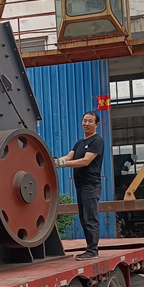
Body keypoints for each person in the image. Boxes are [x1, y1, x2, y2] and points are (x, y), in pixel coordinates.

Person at [55, 111, 104, 261]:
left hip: (91, 185)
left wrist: (63, 164)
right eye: (84, 121)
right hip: (80, 185)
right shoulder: (80, 143)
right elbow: (69, 156)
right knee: (83, 218)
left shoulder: (97, 141)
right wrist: (54, 161)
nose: (86, 124)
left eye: (90, 121)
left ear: (96, 124)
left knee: (90, 218)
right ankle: (90, 248)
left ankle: (92, 250)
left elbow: (85, 161)